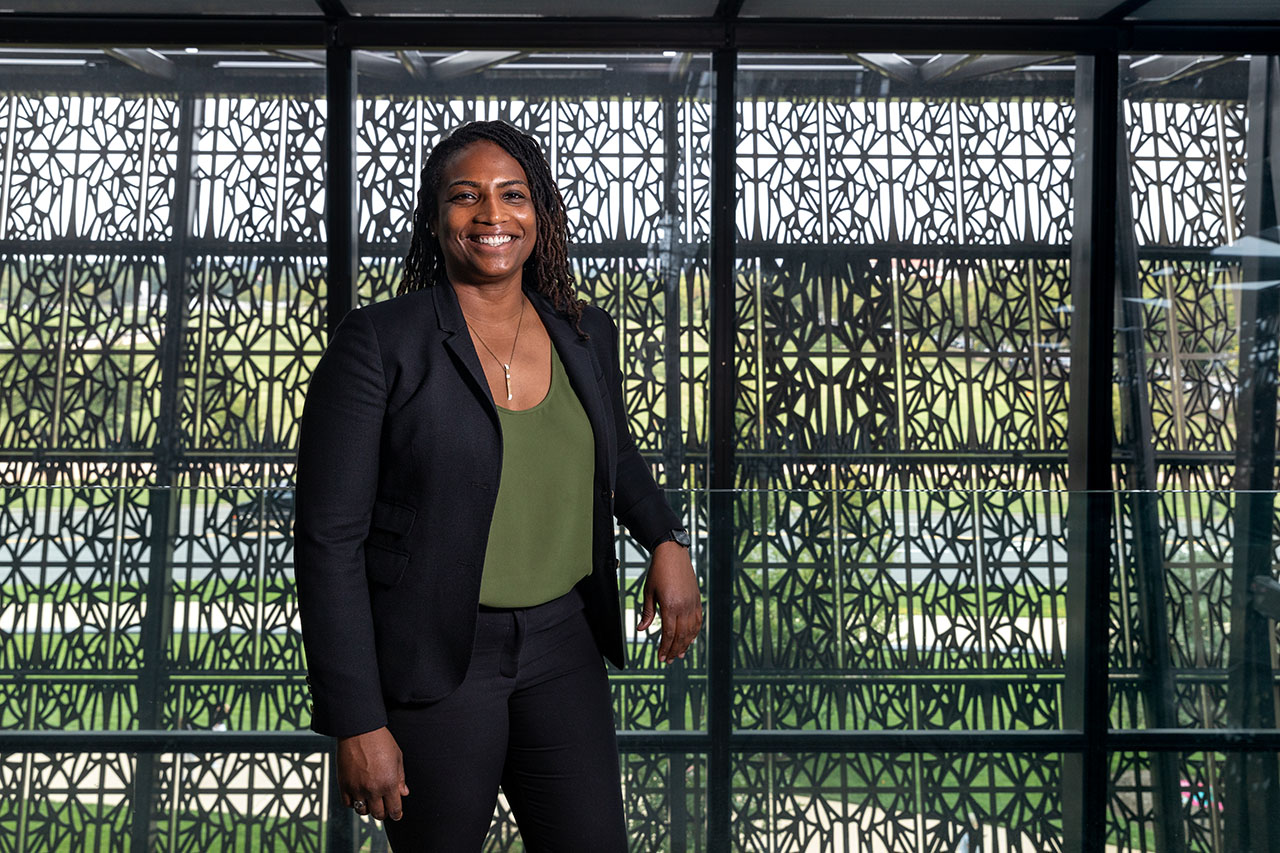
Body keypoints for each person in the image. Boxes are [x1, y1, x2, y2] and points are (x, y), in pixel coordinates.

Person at [293, 120, 703, 852]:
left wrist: (665, 539)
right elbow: (329, 539)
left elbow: (618, 459)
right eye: (465, 196)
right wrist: (357, 718)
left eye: (513, 195)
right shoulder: (379, 342)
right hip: (438, 659)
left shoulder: (584, 333)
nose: (491, 215)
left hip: (563, 645)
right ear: (435, 215)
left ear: (539, 214)